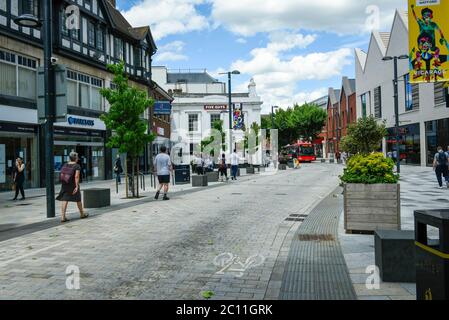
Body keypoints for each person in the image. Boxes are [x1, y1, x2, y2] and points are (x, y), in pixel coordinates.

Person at [56, 152, 88, 223]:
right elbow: (76, 176)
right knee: (78, 199)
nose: (78, 158)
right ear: (75, 158)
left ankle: (63, 217)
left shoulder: (65, 164)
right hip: (73, 185)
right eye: (77, 157)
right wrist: (76, 186)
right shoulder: (77, 166)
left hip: (65, 184)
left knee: (65, 199)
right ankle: (82, 214)